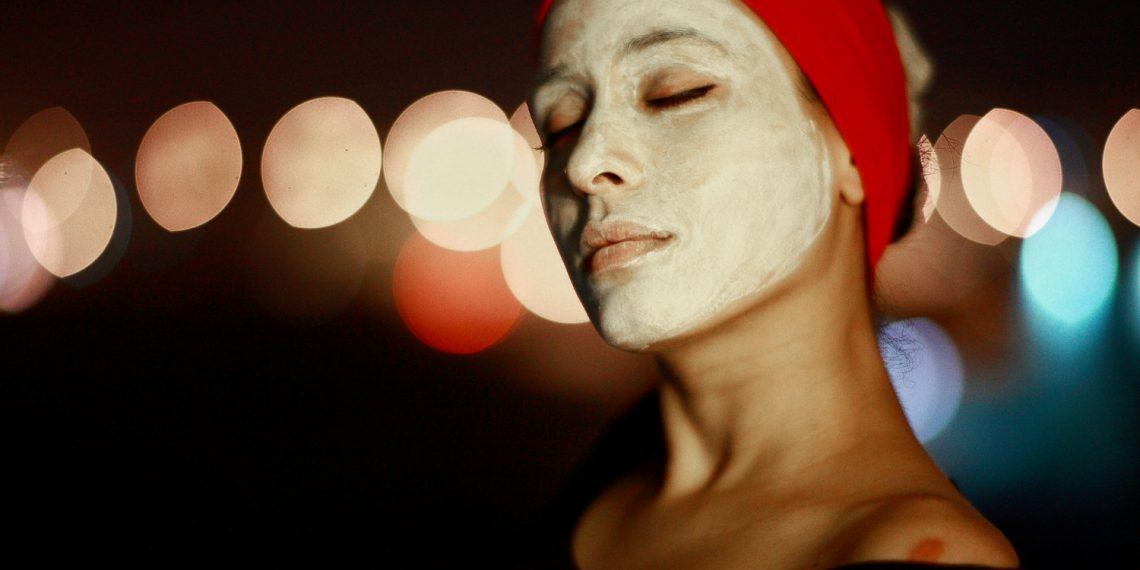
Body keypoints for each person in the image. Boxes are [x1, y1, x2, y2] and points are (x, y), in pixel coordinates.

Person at [527, 0, 1020, 568]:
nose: (584, 164)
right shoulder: (600, 475)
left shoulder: (921, 552)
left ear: (852, 150)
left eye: (677, 92)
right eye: (559, 126)